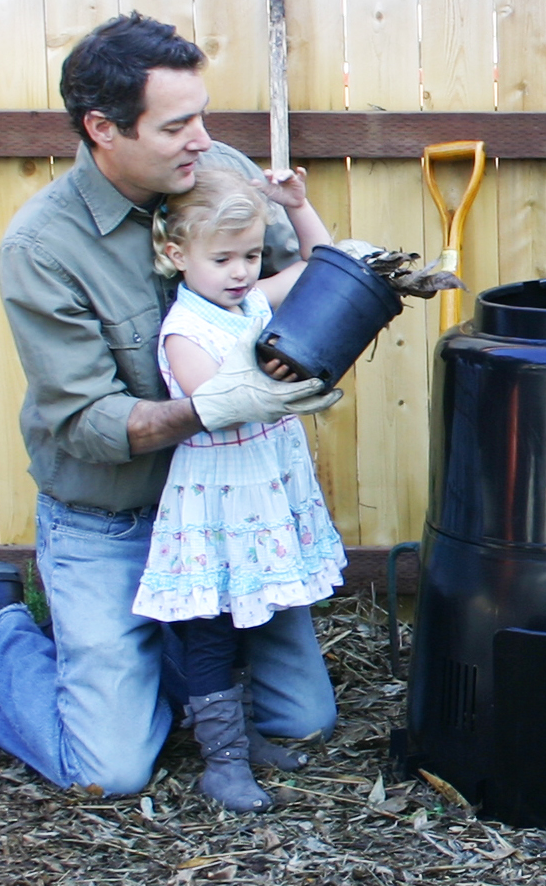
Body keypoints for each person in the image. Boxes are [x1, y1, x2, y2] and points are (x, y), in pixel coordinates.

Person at [0, 12, 343, 798]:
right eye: (177, 123)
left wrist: (361, 287)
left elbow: (298, 284)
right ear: (103, 129)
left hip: (231, 512)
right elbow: (88, 423)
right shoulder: (44, 248)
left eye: (202, 114)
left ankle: (156, 661)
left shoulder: (215, 168)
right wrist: (218, 404)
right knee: (114, 771)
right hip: (116, 525)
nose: (203, 139)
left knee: (304, 721)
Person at [134, 166, 350, 811]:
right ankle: (221, 760)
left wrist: (298, 205)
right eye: (222, 257)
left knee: (253, 618)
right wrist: (277, 375)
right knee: (214, 629)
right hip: (220, 501)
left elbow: (323, 267)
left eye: (251, 255)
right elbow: (214, 401)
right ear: (176, 255)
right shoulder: (185, 330)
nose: (239, 270)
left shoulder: (251, 300)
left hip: (268, 488)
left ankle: (248, 733)